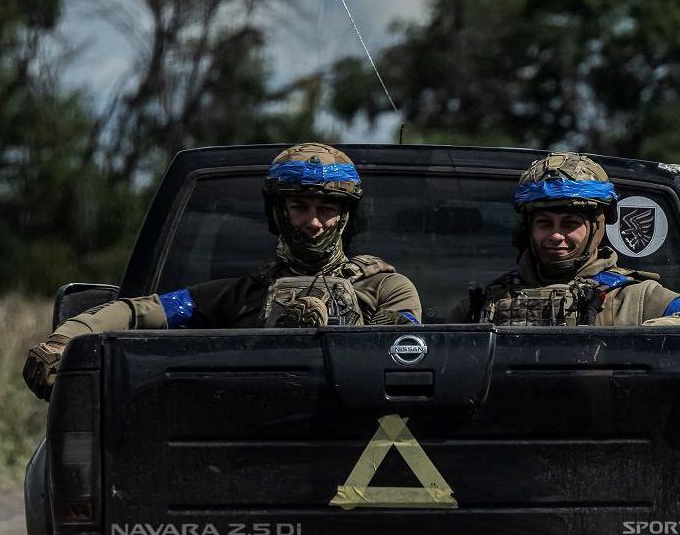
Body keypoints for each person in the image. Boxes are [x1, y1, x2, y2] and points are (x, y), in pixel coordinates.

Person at [24, 142, 422, 399]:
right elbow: (138, 312)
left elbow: (401, 349)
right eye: (299, 207)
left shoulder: (387, 287)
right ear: (277, 213)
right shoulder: (236, 296)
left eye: (326, 209)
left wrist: (333, 330)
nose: (313, 222)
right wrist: (64, 341)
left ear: (344, 217)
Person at [449, 151, 680, 330]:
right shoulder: (484, 305)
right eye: (544, 223)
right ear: (527, 229)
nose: (556, 235)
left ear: (597, 227)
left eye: (570, 224)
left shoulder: (635, 299)